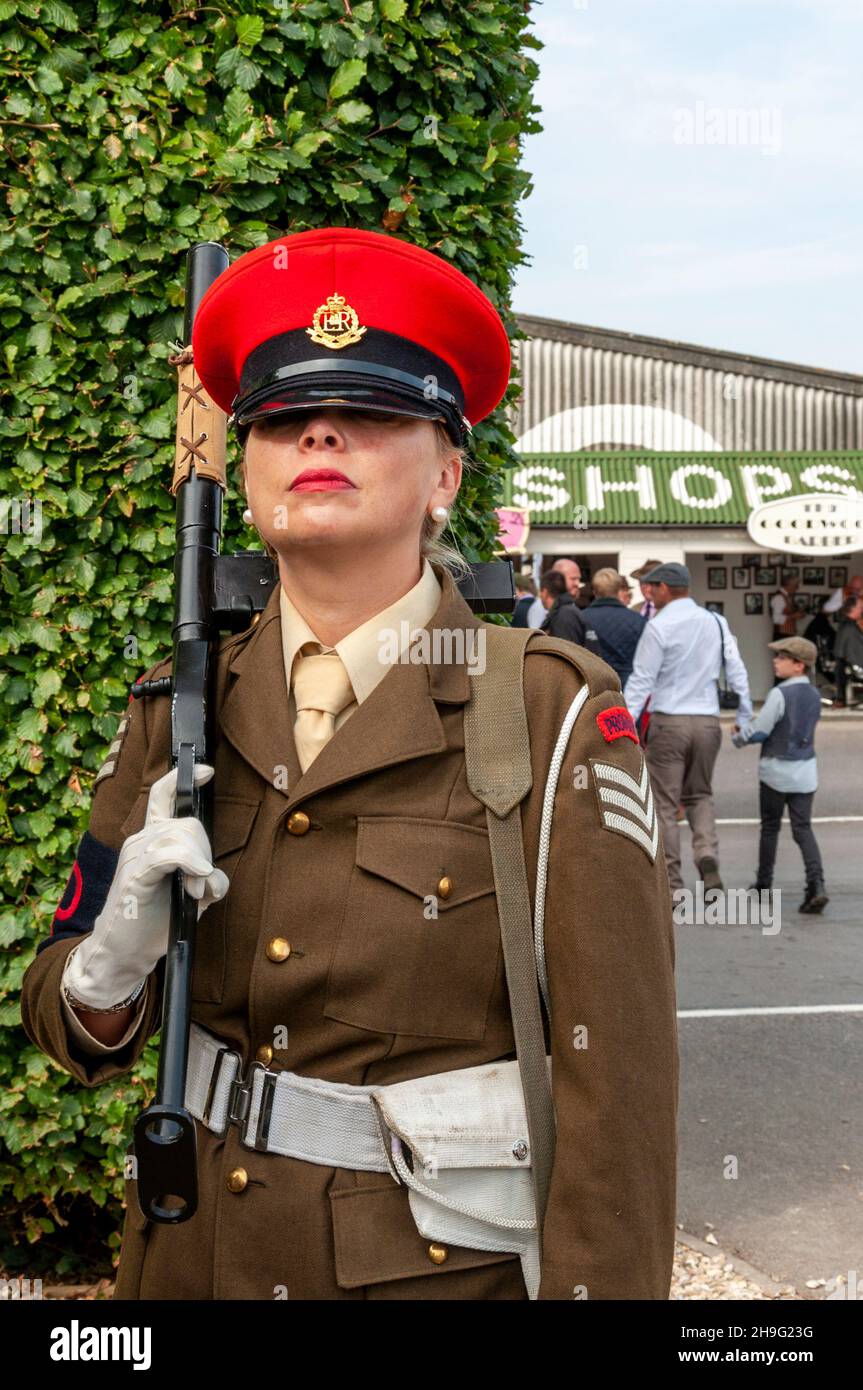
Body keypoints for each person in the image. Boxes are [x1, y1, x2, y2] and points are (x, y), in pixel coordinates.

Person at [20, 227, 677, 1302]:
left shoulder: (544, 708)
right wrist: (108, 967)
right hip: (191, 1259)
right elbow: (63, 1023)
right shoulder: (174, 708)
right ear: (244, 467)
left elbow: (620, 1091)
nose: (318, 431)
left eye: (371, 413)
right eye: (279, 418)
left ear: (445, 476)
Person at [624, 562, 752, 897]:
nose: (649, 592)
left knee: (665, 803)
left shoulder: (658, 626)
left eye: (653, 587)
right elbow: (736, 669)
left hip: (669, 721)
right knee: (700, 795)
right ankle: (707, 854)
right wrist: (745, 712)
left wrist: (624, 725)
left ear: (665, 588)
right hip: (708, 722)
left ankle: (672, 883)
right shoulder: (716, 622)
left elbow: (641, 681)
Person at [731, 638, 828, 913]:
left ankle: (763, 884)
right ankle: (816, 884)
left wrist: (739, 737)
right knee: (803, 829)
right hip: (806, 772)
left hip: (775, 771)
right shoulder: (814, 695)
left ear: (799, 665)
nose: (776, 661)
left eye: (783, 657)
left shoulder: (779, 694)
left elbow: (761, 730)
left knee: (771, 828)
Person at [583, 568, 646, 686]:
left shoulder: (581, 618)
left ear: (594, 591)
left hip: (593, 686)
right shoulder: (638, 620)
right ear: (618, 590)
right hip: (627, 686)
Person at [538, 569, 589, 647]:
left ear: (545, 592)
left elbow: (567, 653)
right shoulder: (567, 611)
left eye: (540, 592)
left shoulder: (563, 616)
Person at [832, 594, 863, 707]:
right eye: (860, 607)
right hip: (856, 668)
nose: (862, 609)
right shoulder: (849, 628)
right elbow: (855, 655)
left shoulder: (846, 625)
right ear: (853, 608)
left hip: (846, 666)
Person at [770, 573, 806, 642]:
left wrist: (799, 614)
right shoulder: (779, 597)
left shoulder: (787, 597)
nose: (797, 588)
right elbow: (776, 619)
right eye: (796, 586)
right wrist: (793, 616)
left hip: (787, 636)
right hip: (782, 636)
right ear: (789, 585)